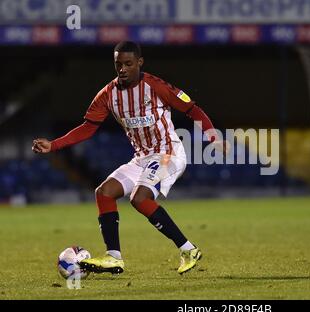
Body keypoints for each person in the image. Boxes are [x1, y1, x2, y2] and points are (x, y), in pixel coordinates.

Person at [32, 41, 226, 275]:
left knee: (139, 198)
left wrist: (213, 136)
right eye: (118, 64)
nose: (122, 69)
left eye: (128, 64)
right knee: (103, 193)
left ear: (139, 63)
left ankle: (187, 249)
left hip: (168, 153)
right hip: (141, 158)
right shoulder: (108, 94)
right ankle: (114, 257)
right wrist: (54, 145)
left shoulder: (155, 86)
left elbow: (192, 109)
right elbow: (88, 127)